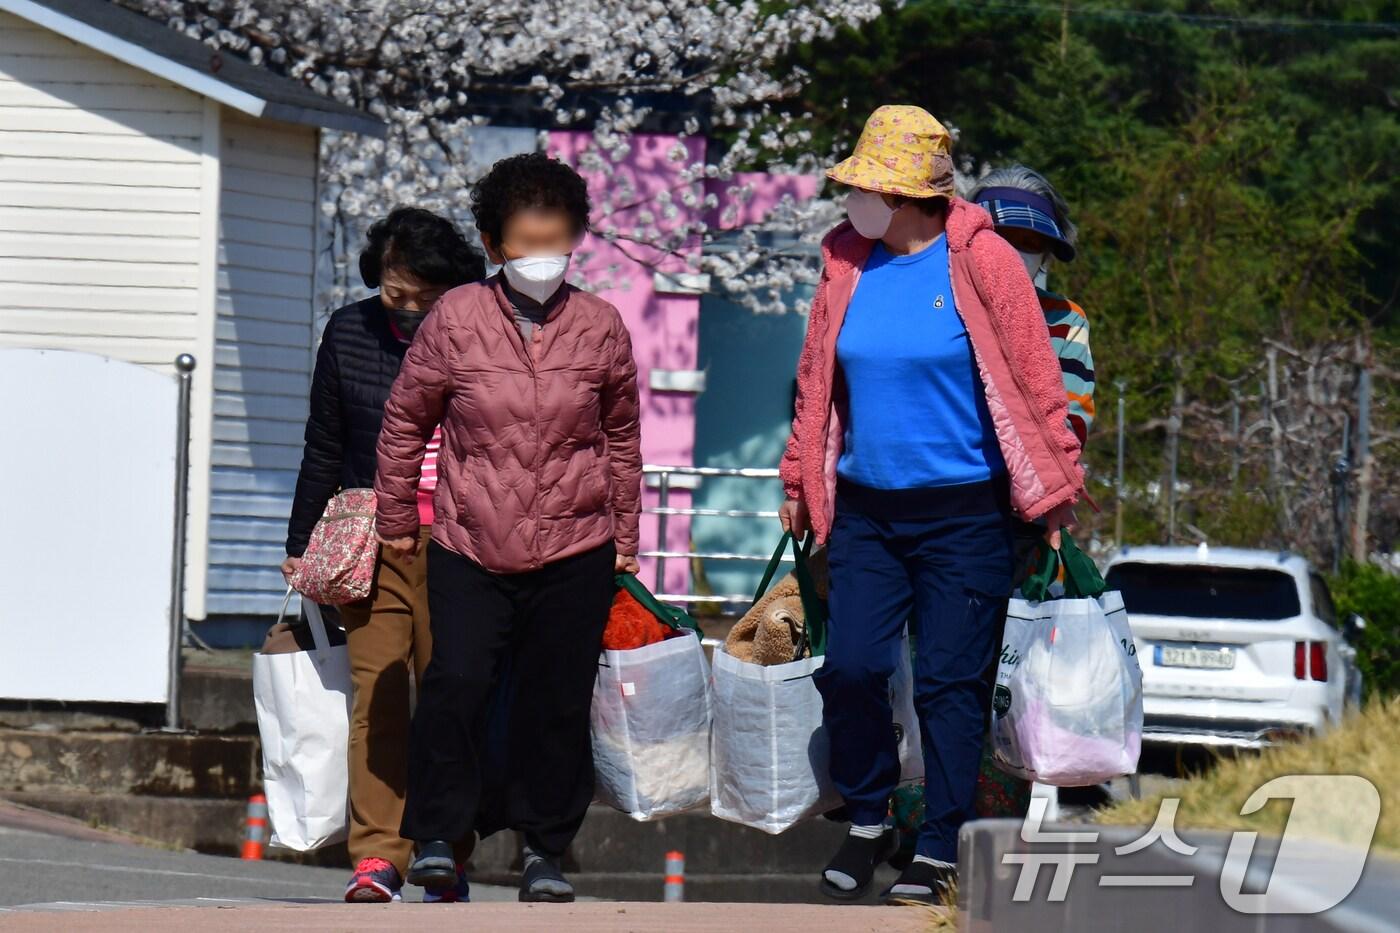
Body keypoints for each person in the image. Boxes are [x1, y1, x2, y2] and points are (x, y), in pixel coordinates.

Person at [777, 106, 1085, 904]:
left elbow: (1036, 382)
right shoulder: (845, 260)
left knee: (950, 682)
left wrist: (1056, 491)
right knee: (851, 667)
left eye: (867, 186)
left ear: (910, 194)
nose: (853, 199)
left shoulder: (982, 261)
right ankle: (868, 817)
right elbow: (816, 385)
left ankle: (941, 843)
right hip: (869, 512)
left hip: (965, 514)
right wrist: (797, 483)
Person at [373, 152, 642, 904]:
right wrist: (396, 513)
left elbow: (621, 434)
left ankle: (545, 849)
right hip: (469, 541)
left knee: (556, 700)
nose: (541, 259)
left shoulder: (600, 326)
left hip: (577, 543)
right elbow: (405, 421)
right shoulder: (456, 318)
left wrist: (627, 530)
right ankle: (435, 838)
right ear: (493, 245)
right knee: (455, 682)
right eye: (525, 244)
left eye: (557, 242)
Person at [282, 207, 486, 903]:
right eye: (394, 293)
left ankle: (446, 848)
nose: (404, 309)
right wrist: (300, 540)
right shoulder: (348, 331)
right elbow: (323, 442)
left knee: (450, 692)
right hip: (372, 534)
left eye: (419, 296)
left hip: (462, 536)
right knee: (379, 690)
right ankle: (376, 854)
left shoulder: (478, 330)